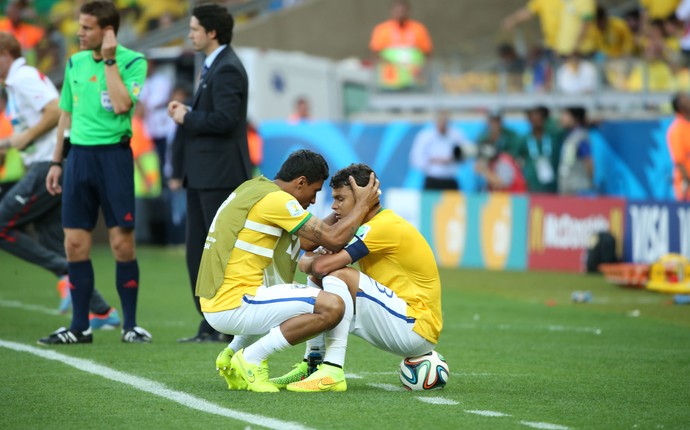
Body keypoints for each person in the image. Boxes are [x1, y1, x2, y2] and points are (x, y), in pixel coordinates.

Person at [199, 150, 380, 393]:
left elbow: (306, 242)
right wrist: (361, 205)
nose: (315, 200)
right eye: (315, 191)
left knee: (287, 294)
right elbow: (334, 240)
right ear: (301, 182)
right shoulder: (278, 201)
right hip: (235, 304)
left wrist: (344, 212)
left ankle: (232, 353)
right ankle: (251, 358)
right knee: (333, 306)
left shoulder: (254, 188)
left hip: (217, 302)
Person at [269, 163, 442, 392]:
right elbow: (307, 244)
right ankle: (314, 363)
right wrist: (351, 209)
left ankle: (332, 369)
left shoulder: (383, 226)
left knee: (338, 273)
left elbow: (319, 265)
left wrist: (311, 262)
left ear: (364, 197)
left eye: (340, 199)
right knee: (325, 276)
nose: (334, 205)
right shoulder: (367, 223)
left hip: (415, 326)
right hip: (397, 318)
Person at [39, 1, 150, 345]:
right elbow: (65, 116)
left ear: (107, 31)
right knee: (74, 244)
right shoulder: (74, 62)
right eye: (80, 26)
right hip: (79, 160)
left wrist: (111, 60)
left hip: (114, 158)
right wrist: (57, 162)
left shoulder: (133, 62)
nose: (79, 33)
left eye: (86, 27)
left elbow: (120, 104)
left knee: (122, 245)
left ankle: (129, 325)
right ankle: (80, 327)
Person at [0, 31, 120, 328]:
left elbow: (55, 111)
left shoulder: (22, 77)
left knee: (2, 224)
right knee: (53, 239)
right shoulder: (18, 81)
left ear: (5, 54)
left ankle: (64, 272)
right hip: (55, 162)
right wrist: (7, 145)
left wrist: (26, 136)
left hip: (50, 164)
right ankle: (102, 311)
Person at [168, 4, 253, 343]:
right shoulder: (214, 64)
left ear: (211, 32)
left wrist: (187, 116)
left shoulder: (228, 68)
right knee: (199, 252)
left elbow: (225, 120)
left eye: (194, 28)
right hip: (203, 175)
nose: (189, 34)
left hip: (218, 175)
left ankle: (221, 322)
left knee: (215, 253)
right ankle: (211, 322)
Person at [369, 0, 433, 90]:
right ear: (391, 11)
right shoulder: (382, 29)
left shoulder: (418, 29)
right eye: (397, 11)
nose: (400, 14)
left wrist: (422, 69)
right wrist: (391, 64)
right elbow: (375, 53)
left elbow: (427, 52)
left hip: (414, 80)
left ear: (408, 11)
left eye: (403, 11)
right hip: (390, 81)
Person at [409, 110, 472, 191]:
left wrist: (452, 159)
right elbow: (416, 159)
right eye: (440, 121)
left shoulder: (457, 135)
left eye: (444, 121)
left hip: (450, 179)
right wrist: (432, 160)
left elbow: (466, 154)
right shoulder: (425, 136)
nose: (442, 124)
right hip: (432, 179)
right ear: (435, 121)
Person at [515, 106, 562, 193]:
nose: (536, 121)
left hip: (551, 185)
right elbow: (516, 159)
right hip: (532, 185)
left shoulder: (553, 137)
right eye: (533, 118)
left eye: (539, 118)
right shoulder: (525, 139)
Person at [557, 106, 594, 195]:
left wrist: (588, 184)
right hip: (567, 188)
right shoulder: (568, 135)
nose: (562, 118)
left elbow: (588, 160)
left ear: (575, 118)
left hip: (578, 189)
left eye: (566, 115)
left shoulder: (581, 136)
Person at [667, 92, 690, 201]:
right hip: (686, 184)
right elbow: (679, 161)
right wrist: (687, 181)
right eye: (686, 100)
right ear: (679, 108)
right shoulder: (677, 129)